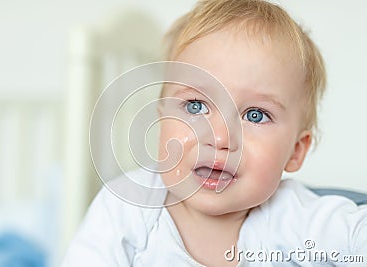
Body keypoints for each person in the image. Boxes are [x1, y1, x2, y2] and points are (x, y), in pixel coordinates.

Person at [63, 0, 367, 266]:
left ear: (296, 151)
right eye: (195, 106)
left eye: (255, 115)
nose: (220, 138)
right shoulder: (127, 211)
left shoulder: (297, 218)